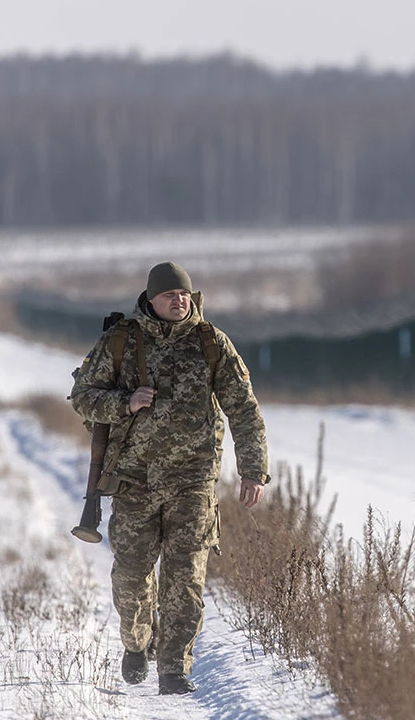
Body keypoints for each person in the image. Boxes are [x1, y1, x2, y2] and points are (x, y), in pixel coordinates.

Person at [69, 261, 268, 695]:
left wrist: (253, 470)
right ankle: (138, 643)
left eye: (184, 294)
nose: (179, 301)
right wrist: (126, 402)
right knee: (131, 578)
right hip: (134, 482)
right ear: (151, 300)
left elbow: (244, 409)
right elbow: (82, 397)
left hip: (194, 482)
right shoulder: (122, 340)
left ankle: (175, 669)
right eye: (169, 295)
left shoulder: (211, 342)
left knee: (186, 579)